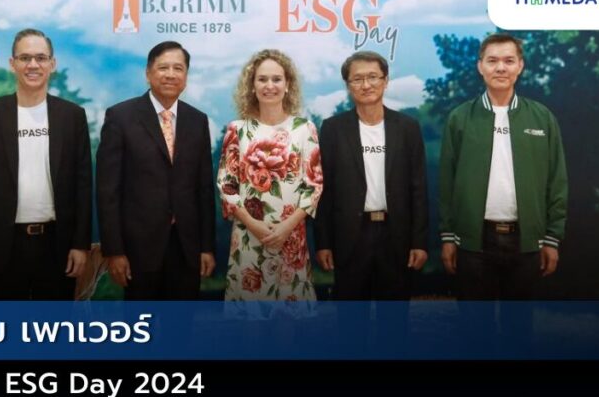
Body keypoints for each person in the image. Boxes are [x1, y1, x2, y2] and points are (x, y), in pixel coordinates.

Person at [438, 33, 567, 317]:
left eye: (509, 61)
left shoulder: (542, 117)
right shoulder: (460, 118)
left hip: (527, 240)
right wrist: (448, 236)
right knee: (474, 326)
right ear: (480, 66)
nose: (500, 68)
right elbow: (447, 183)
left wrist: (552, 237)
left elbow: (557, 181)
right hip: (473, 240)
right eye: (492, 60)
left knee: (518, 326)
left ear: (520, 66)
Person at [0, 28, 92, 300]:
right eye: (25, 58)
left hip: (57, 247)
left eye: (41, 58)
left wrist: (81, 245)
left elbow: (83, 185)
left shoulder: (72, 116)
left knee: (54, 326)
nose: (33, 65)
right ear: (13, 64)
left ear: (52, 64)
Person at [96, 41, 215, 300]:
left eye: (178, 68)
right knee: (142, 323)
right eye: (163, 67)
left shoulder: (197, 120)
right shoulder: (120, 117)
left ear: (186, 77)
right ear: (148, 73)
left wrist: (206, 247)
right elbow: (108, 192)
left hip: (186, 248)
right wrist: (114, 251)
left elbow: (204, 189)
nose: (170, 74)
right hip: (138, 249)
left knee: (181, 322)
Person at [315, 51, 430, 305]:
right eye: (357, 79)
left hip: (396, 235)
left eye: (373, 77)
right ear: (348, 85)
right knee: (351, 316)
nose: (366, 85)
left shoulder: (407, 127)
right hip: (350, 236)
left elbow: (419, 189)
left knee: (394, 316)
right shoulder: (333, 129)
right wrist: (323, 242)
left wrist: (419, 242)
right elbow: (325, 190)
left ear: (386, 80)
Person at [217, 49, 323, 309]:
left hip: (291, 237)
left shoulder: (304, 129)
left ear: (288, 85)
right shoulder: (237, 130)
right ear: (252, 86)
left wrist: (288, 226)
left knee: (289, 319)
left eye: (276, 79)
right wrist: (253, 224)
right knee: (251, 321)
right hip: (248, 236)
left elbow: (314, 185)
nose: (269, 86)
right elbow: (226, 185)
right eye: (262, 79)